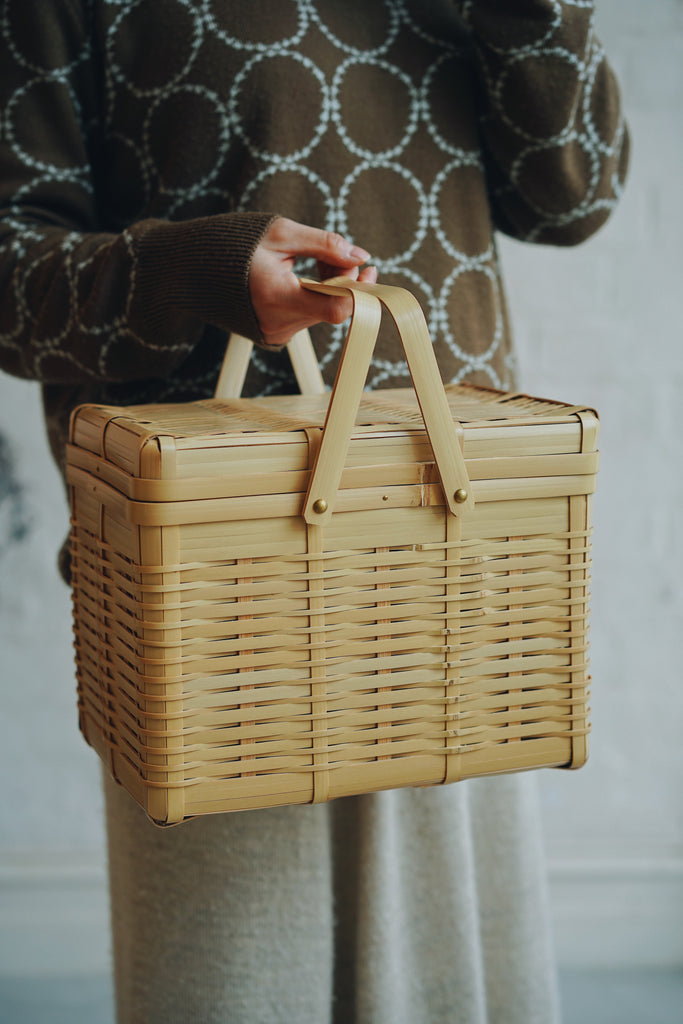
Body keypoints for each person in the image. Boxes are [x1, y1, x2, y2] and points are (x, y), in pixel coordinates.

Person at [0, 2, 628, 1022]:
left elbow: (576, 191)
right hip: (213, 590)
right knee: (238, 988)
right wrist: (193, 271)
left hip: (451, 562)